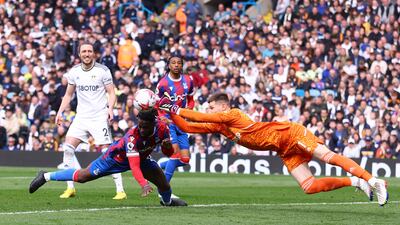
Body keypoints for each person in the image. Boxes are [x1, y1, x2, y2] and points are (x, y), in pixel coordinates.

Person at [158, 93, 389, 206]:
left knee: (327, 156)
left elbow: (200, 116)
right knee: (309, 186)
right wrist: (170, 113)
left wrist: (177, 108)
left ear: (223, 105)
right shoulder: (220, 126)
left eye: (211, 106)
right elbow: (189, 125)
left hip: (289, 133)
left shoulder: (233, 114)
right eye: (208, 107)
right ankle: (356, 182)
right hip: (284, 150)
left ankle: (373, 180)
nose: (209, 110)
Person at [29, 109, 187, 207]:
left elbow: (167, 153)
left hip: (143, 159)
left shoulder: (162, 128)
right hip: (115, 159)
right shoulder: (132, 137)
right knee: (83, 176)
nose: (142, 129)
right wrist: (143, 184)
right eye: (140, 125)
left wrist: (167, 145)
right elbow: (134, 166)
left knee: (163, 184)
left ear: (153, 124)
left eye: (145, 126)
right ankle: (45, 176)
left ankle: (167, 202)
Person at [55, 42, 126, 200]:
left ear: (93, 53)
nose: (87, 54)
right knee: (67, 148)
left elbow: (111, 93)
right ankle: (70, 188)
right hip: (81, 117)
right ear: (79, 54)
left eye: (89, 51)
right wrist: (60, 112)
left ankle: (120, 190)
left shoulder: (103, 70)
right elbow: (68, 95)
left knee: (109, 152)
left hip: (99, 117)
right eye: (84, 51)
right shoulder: (74, 72)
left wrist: (110, 108)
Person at [155, 55, 195, 188]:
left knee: (185, 160)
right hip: (169, 123)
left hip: (181, 122)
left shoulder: (188, 81)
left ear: (182, 65)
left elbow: (190, 99)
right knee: (175, 153)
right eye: (173, 63)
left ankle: (158, 167)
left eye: (179, 63)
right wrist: (162, 118)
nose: (176, 65)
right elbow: (156, 104)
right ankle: (164, 187)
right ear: (169, 65)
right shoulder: (163, 83)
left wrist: (188, 110)